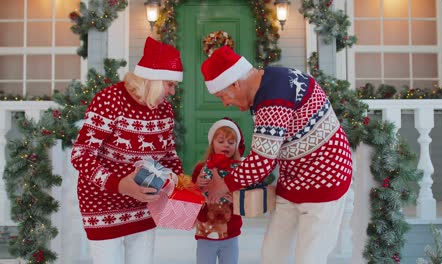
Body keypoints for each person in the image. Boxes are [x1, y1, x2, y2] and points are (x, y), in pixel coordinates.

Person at [200, 46, 353, 264]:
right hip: (293, 182)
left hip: (325, 182)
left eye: (222, 95)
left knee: (309, 258)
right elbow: (268, 149)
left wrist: (223, 184)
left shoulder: (274, 97)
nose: (224, 103)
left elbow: (261, 162)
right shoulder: (268, 85)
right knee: (272, 254)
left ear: (235, 83)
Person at [70, 36, 184, 264]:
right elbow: (81, 154)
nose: (172, 92)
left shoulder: (163, 110)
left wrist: (180, 183)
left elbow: (169, 156)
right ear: (152, 79)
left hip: (143, 203)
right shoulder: (110, 100)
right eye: (169, 84)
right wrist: (120, 185)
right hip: (102, 203)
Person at [191, 117, 245, 264]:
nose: (226, 145)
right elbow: (191, 196)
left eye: (231, 142)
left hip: (231, 233)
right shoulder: (201, 168)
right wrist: (197, 185)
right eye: (220, 141)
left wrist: (237, 200)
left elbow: (246, 199)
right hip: (205, 233)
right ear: (212, 144)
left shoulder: (239, 171)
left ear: (236, 146)